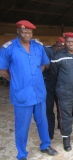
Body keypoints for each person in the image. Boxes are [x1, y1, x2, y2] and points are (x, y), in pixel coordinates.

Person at [0, 20, 57, 160]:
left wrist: (35, 76)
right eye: (24, 32)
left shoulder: (38, 47)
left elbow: (44, 65)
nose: (27, 35)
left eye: (29, 32)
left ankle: (45, 145)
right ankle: (22, 154)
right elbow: (2, 70)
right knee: (22, 126)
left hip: (38, 92)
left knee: (42, 121)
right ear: (18, 32)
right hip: (22, 94)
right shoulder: (9, 48)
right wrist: (16, 81)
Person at [43, 37, 65, 140]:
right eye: (60, 46)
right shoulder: (47, 50)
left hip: (59, 83)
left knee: (61, 107)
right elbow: (45, 65)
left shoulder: (64, 52)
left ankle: (61, 126)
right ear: (56, 45)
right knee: (49, 108)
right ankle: (49, 132)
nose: (61, 49)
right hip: (48, 84)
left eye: (63, 47)